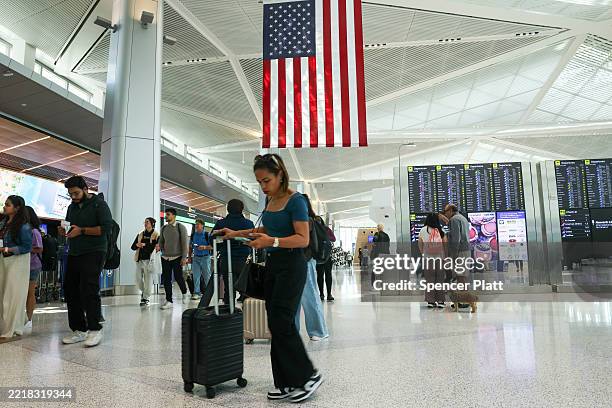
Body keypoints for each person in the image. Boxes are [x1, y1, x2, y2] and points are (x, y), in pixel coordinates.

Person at [217, 154, 322, 403]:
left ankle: (308, 376)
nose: (263, 186)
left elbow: (302, 238)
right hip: (274, 264)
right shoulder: (271, 199)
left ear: (280, 175)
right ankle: (285, 383)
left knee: (282, 321)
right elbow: (266, 229)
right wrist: (236, 233)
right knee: (275, 323)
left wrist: (272, 242)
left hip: (292, 264)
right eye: (259, 182)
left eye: (267, 180)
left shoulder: (296, 201)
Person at [61, 176, 113, 347]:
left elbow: (106, 228)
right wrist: (65, 230)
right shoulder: (72, 207)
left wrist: (82, 231)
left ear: (85, 188)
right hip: (75, 251)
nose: (73, 197)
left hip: (95, 251)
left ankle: (95, 329)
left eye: (76, 193)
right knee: (70, 289)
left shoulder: (99, 204)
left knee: (89, 288)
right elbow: (71, 226)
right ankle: (79, 329)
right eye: (71, 194)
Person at [295, 194, 329, 341]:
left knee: (309, 295)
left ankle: (318, 331)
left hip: (305, 260)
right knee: (293, 298)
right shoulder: (300, 218)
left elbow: (307, 242)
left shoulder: (308, 220)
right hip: (294, 261)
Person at [207, 199, 253, 306]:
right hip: (244, 261)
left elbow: (212, 241)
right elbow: (253, 240)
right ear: (242, 209)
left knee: (229, 289)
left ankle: (229, 313)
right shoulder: (248, 224)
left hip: (226, 260)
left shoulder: (221, 223)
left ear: (228, 209)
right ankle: (246, 314)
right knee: (246, 289)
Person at [0, 195, 32, 341]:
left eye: (8, 205)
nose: (4, 206)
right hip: (4, 261)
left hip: (17, 262)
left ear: (17, 208)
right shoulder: (4, 223)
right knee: (3, 294)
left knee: (11, 296)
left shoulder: (23, 226)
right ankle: (8, 326)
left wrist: (7, 249)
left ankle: (10, 330)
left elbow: (26, 247)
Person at [157, 208, 189, 310]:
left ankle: (184, 292)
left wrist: (184, 257)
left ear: (174, 216)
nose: (166, 216)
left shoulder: (180, 227)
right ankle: (169, 300)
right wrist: (158, 246)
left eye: (168, 214)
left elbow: (185, 243)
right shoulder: (163, 228)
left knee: (178, 277)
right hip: (165, 257)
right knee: (166, 279)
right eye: (166, 214)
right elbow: (161, 241)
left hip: (177, 256)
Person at [418, 213, 447, 308]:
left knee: (429, 280)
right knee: (440, 280)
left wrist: (423, 253)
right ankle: (441, 301)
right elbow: (445, 244)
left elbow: (420, 244)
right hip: (440, 259)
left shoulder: (423, 230)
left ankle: (431, 301)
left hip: (428, 259)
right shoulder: (441, 230)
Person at [131, 217, 159, 306]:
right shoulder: (140, 234)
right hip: (139, 260)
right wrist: (137, 245)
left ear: (152, 224)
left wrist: (145, 244)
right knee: (138, 279)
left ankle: (145, 298)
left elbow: (156, 247)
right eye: (145, 222)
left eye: (147, 222)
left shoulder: (156, 234)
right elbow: (133, 247)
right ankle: (144, 292)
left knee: (148, 280)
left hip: (149, 261)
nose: (145, 223)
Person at [24, 206, 43, 334]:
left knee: (30, 292)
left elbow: (39, 248)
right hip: (22, 265)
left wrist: (24, 249)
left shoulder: (34, 231)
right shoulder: (22, 229)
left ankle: (29, 319)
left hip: (33, 266)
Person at [189, 219, 211, 301]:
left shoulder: (207, 235)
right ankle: (197, 293)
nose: (196, 226)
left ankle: (209, 292)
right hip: (196, 258)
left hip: (205, 258)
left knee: (206, 276)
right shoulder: (193, 235)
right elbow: (190, 247)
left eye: (198, 224)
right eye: (196, 224)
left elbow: (212, 246)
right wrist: (189, 257)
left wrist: (204, 247)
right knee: (196, 276)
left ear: (202, 225)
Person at [316, 224, 336, 302]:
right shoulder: (315, 230)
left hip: (327, 256)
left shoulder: (327, 230)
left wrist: (325, 237)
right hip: (319, 256)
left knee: (328, 275)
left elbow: (334, 239)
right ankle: (321, 293)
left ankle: (329, 294)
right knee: (320, 276)